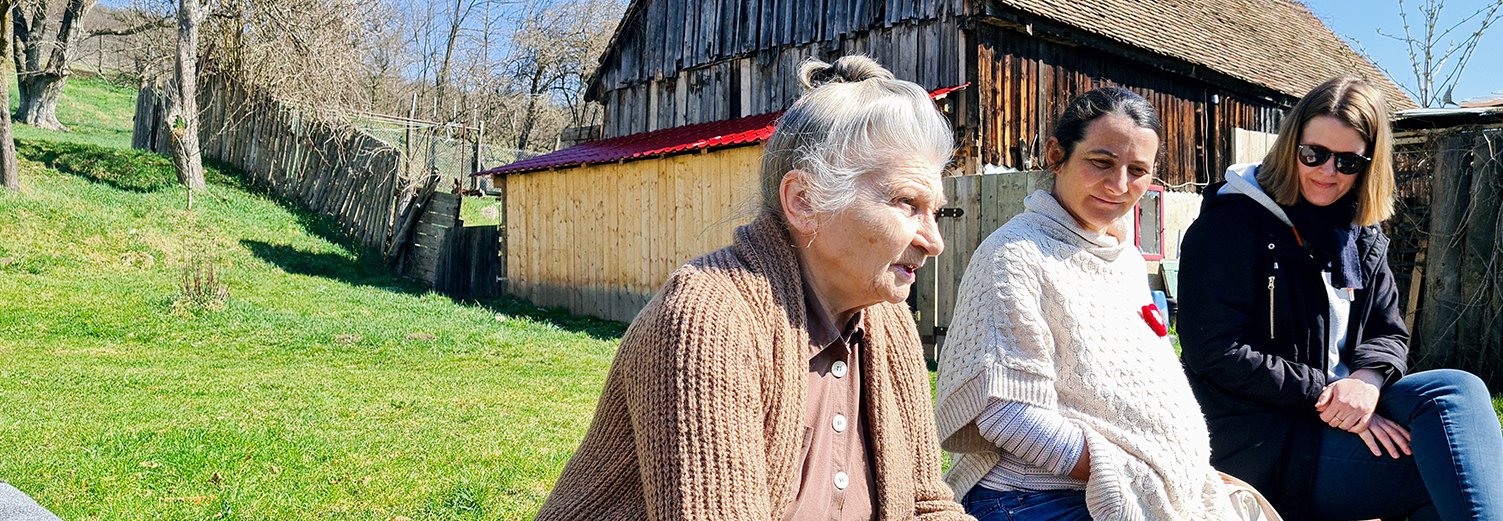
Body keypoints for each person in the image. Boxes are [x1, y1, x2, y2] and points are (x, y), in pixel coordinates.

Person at [532, 55, 972, 521]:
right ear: (805, 202)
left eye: (936, 211)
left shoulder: (888, 323)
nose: (935, 242)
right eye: (907, 203)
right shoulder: (707, 322)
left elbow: (925, 504)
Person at [1178, 75, 1503, 521]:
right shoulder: (1231, 225)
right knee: (1462, 473)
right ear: (1291, 145)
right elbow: (1216, 352)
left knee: (1456, 392)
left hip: (1340, 417)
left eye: (1348, 162)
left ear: (1368, 166)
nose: (1327, 171)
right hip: (1264, 437)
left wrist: (1367, 382)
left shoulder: (1361, 236)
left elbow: (1388, 331)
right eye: (1314, 154)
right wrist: (1333, 395)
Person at [934, 87, 1236, 521]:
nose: (1119, 186)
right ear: (1056, 154)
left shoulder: (1124, 260)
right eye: (1102, 162)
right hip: (1035, 499)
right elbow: (1007, 414)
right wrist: (1129, 473)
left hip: (1127, 485)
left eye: (1138, 170)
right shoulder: (1016, 255)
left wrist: (1177, 465)